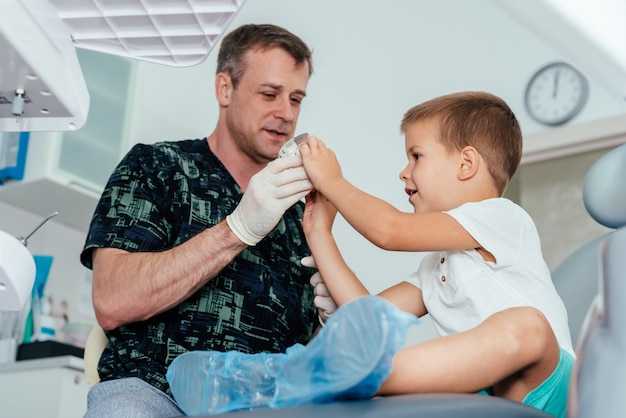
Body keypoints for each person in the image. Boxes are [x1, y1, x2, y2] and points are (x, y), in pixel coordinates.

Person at [79, 23, 321, 417]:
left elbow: (305, 355)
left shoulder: (298, 214)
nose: (286, 114)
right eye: (269, 94)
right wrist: (235, 230)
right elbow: (112, 300)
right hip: (155, 392)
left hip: (262, 406)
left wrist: (326, 323)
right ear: (225, 88)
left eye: (296, 98)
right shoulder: (156, 168)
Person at [299, 91, 575, 417]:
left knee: (528, 325)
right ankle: (359, 377)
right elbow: (368, 317)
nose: (404, 172)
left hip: (549, 387)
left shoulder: (503, 218)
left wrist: (332, 181)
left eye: (416, 156)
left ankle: (359, 376)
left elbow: (390, 230)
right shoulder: (434, 267)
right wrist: (319, 234)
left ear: (466, 164)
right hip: (488, 399)